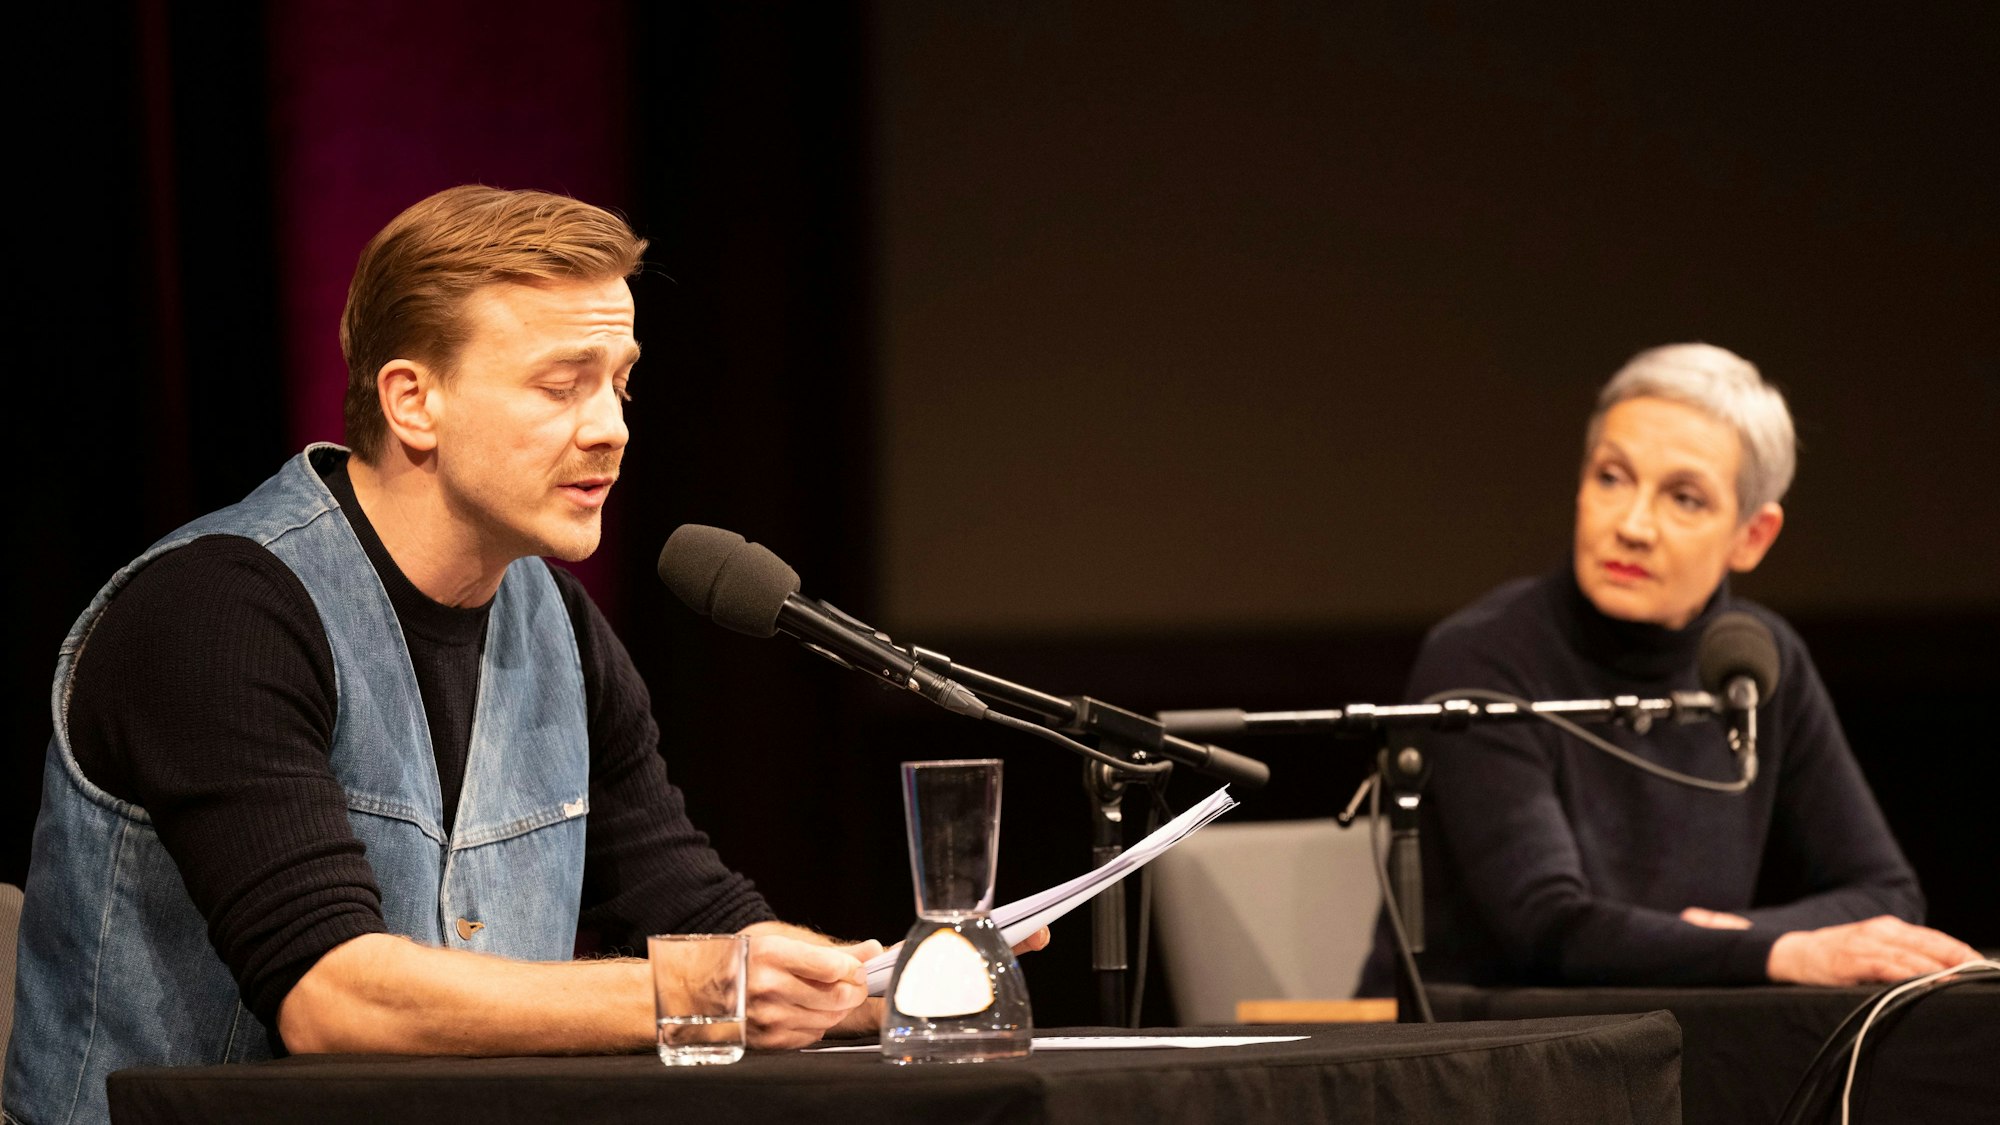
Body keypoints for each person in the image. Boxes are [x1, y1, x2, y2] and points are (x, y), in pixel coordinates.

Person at [4, 186, 1043, 1125]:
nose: (610, 430)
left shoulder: (555, 620)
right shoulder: (216, 613)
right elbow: (331, 996)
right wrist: (704, 990)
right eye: (561, 385)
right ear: (415, 400)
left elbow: (690, 907)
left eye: (621, 383)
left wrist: (869, 986)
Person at [1357, 343, 1976, 997]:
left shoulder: (1761, 661)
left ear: (1752, 536)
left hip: (1674, 1039)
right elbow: (1548, 925)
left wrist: (1733, 935)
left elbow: (1886, 893)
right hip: (1479, 1060)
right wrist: (1774, 949)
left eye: (1684, 498)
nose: (1633, 524)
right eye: (1612, 478)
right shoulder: (1481, 655)